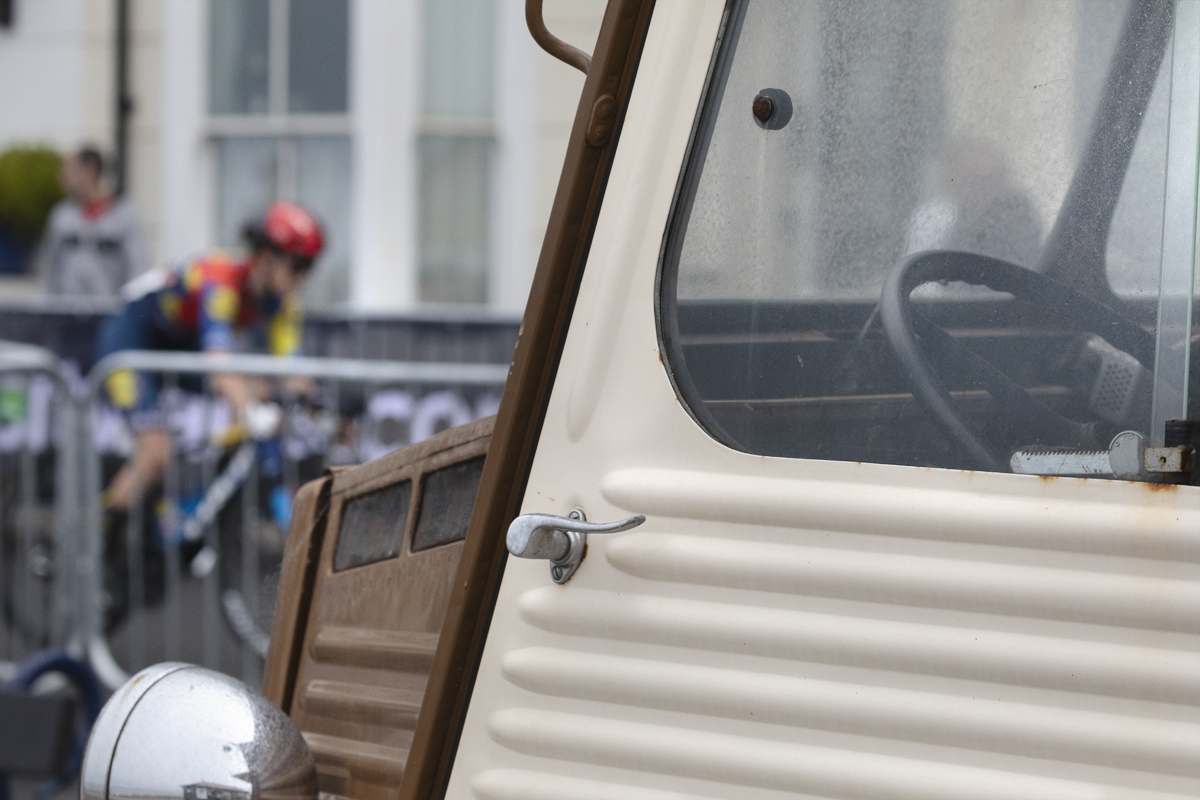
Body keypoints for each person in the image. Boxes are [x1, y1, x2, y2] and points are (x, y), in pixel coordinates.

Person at [97, 200, 324, 517]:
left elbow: (294, 372)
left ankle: (195, 515)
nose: (305, 277)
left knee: (257, 390)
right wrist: (250, 409)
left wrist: (324, 409)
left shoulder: (281, 303)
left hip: (177, 348)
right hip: (130, 344)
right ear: (267, 258)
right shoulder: (221, 280)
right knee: (155, 452)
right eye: (299, 266)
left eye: (310, 266)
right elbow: (219, 369)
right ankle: (95, 544)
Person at [37, 146, 149, 298]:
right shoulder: (62, 215)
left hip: (109, 312)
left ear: (89, 171)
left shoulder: (124, 215)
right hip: (66, 312)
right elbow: (49, 267)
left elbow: (137, 266)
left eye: (69, 171)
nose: (62, 177)